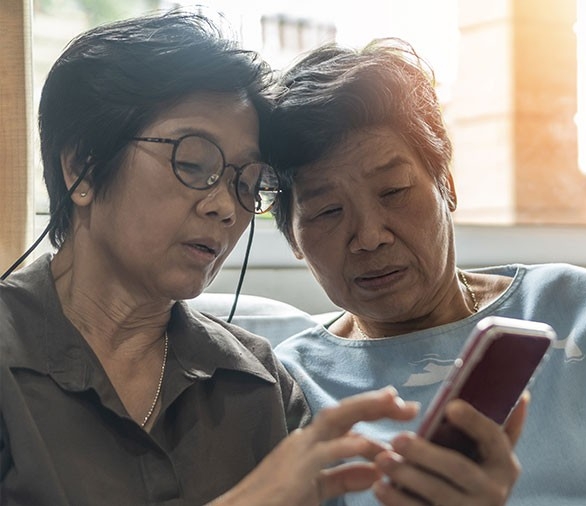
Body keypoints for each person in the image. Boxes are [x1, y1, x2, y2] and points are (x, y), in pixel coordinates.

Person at [264, 38, 586, 505]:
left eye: (393, 191)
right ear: (292, 239)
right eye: (327, 211)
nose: (369, 235)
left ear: (446, 187)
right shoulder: (288, 389)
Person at [0, 12, 427, 505]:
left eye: (246, 183)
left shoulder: (260, 385)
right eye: (193, 163)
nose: (226, 207)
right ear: (83, 166)